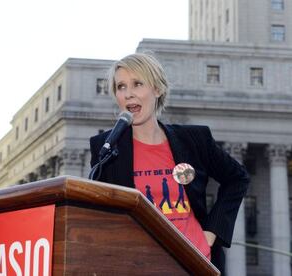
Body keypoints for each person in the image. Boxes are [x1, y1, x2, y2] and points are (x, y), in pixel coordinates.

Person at [89, 53, 250, 274]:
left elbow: (237, 178)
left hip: (194, 263)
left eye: (137, 84)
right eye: (121, 87)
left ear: (157, 89)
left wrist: (211, 233)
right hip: (139, 266)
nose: (128, 94)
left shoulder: (194, 139)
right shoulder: (106, 147)